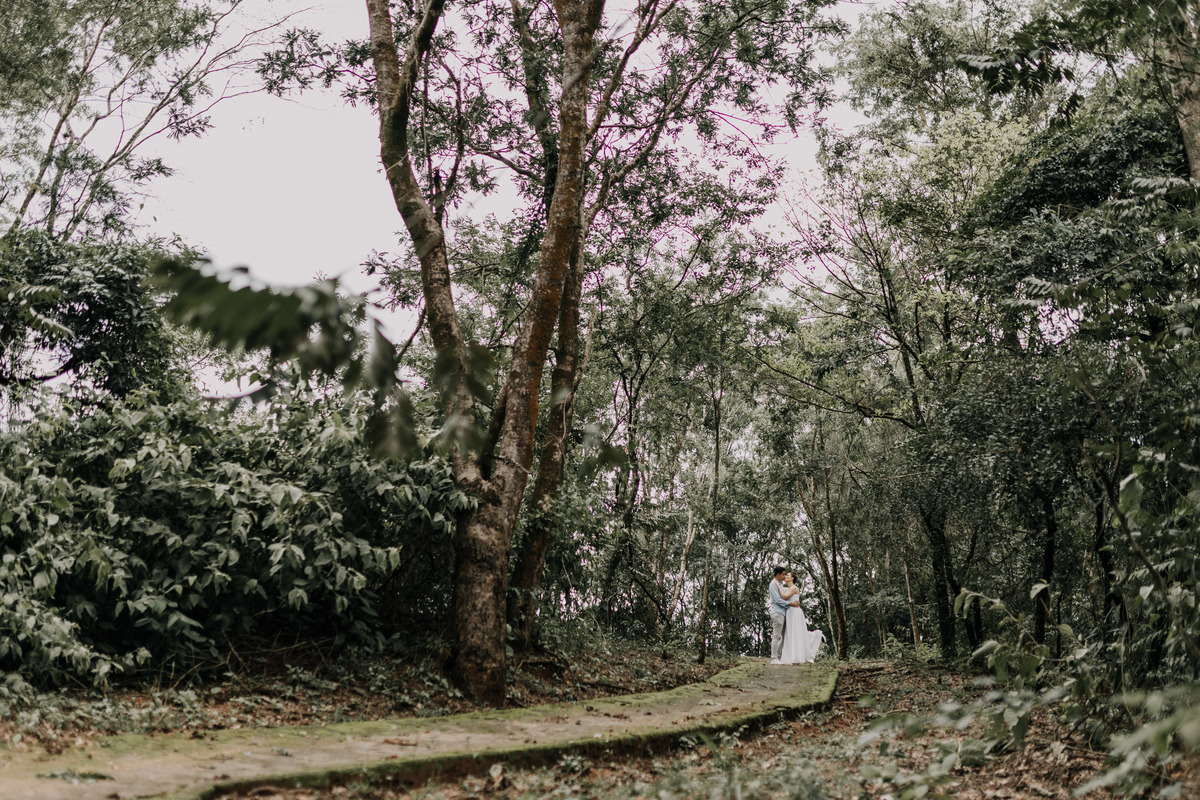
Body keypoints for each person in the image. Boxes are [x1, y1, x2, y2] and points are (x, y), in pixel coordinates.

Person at [779, 571, 824, 664]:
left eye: (787, 575)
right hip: (789, 612)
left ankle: (817, 635)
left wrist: (778, 588)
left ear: (792, 578)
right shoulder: (787, 588)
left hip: (795, 612)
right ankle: (793, 656)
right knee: (792, 633)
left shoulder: (794, 588)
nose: (785, 576)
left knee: (797, 632)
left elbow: (784, 597)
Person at [767, 566, 791, 664]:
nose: (784, 576)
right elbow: (777, 600)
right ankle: (774, 657)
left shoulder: (780, 584)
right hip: (777, 612)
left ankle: (779, 656)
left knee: (784, 637)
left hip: (783, 613)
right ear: (778, 574)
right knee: (776, 636)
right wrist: (789, 603)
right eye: (783, 574)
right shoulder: (773, 584)